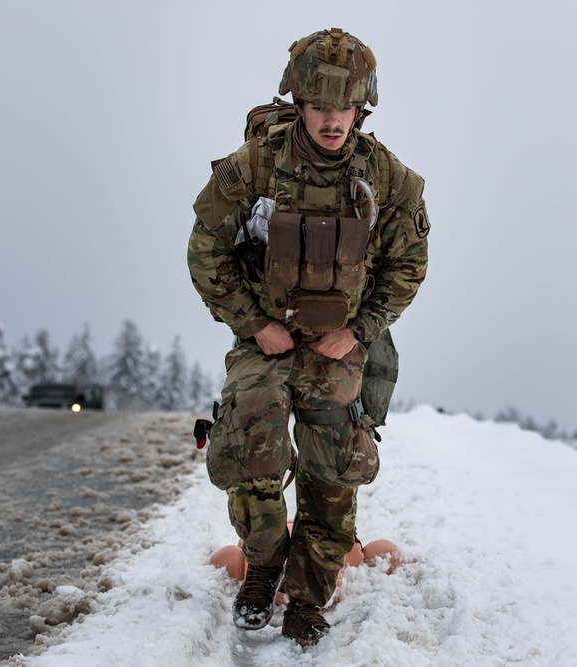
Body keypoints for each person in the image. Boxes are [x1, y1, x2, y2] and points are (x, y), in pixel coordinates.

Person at [187, 28, 430, 647]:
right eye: (319, 105)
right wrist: (253, 323)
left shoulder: (386, 178)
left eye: (343, 107)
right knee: (250, 446)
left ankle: (309, 594)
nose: (331, 120)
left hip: (337, 348)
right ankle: (264, 564)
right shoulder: (258, 166)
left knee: (334, 472)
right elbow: (205, 248)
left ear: (361, 108)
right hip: (265, 339)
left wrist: (360, 331)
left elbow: (409, 265)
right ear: (297, 101)